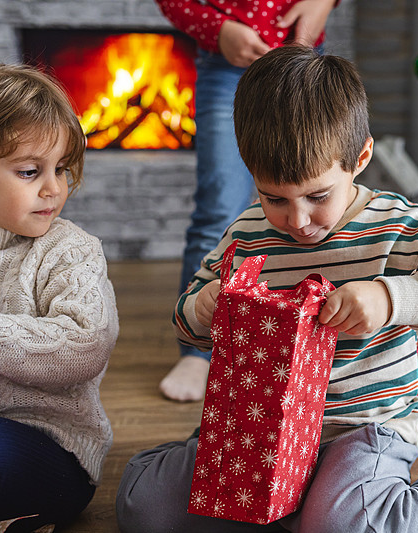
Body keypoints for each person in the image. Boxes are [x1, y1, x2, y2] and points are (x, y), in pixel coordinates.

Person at [116, 46, 418, 533]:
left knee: (342, 525)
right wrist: (204, 309)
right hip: (256, 424)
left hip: (361, 431)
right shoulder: (248, 232)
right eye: (274, 197)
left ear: (359, 158)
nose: (297, 221)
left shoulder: (399, 227)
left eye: (317, 196)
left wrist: (390, 298)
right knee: (142, 507)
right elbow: (189, 326)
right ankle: (280, 497)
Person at [0, 63, 119, 532]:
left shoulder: (69, 251)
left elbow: (84, 347)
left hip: (46, 457)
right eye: (29, 171)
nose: (53, 188)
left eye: (60, 169)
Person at [154, 0, 339, 402]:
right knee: (218, 205)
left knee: (312, 201)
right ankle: (199, 351)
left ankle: (305, 337)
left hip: (303, 60)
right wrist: (217, 30)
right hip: (226, 61)